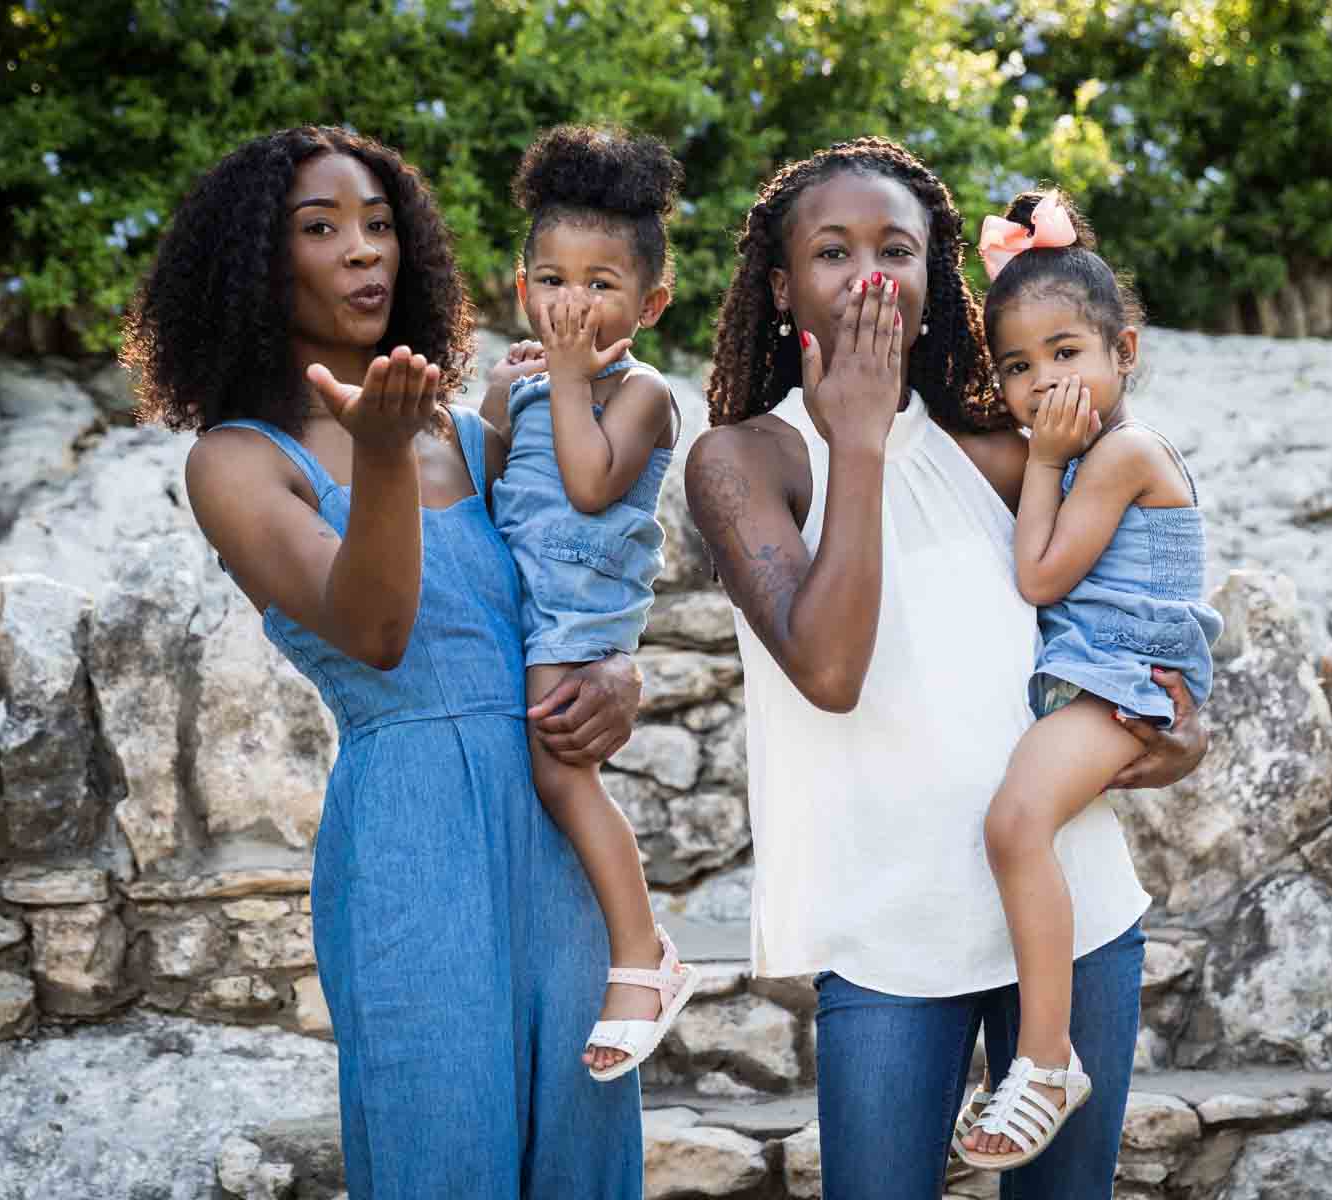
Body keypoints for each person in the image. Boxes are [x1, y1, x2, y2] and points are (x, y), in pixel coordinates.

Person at [684, 136, 1208, 1200]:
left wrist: (1185, 713)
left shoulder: (1001, 447)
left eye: (899, 248)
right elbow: (829, 669)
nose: (870, 273)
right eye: (833, 252)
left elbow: (1147, 563)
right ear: (782, 286)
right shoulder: (743, 460)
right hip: (887, 936)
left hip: (1072, 912)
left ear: (936, 279)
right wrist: (860, 443)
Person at [125, 125, 643, 1199]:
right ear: (256, 267)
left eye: (378, 225)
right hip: (412, 835)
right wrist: (376, 457)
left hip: (555, 827)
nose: (364, 251)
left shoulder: (470, 429)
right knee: (439, 1140)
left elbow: (570, 582)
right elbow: (376, 630)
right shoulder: (233, 462)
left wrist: (616, 675)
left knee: (582, 1150)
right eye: (321, 229)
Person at [952, 189, 1222, 1171]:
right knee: (1018, 825)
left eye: (1067, 353)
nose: (1041, 381)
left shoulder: (1119, 456)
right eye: (1018, 366)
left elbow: (1039, 575)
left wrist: (1044, 459)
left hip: (1126, 678)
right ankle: (1042, 1053)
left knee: (1014, 824)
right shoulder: (1083, 456)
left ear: (1125, 353)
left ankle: (1045, 1057)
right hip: (1098, 675)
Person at [478, 126, 699, 1082]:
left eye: (601, 285)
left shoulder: (642, 391)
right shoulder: (529, 381)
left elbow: (593, 480)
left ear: (649, 303)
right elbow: (486, 485)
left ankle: (644, 957)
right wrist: (496, 403)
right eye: (554, 280)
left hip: (582, 608)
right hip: (524, 599)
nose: (573, 304)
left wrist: (565, 382)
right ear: (522, 286)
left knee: (565, 774)